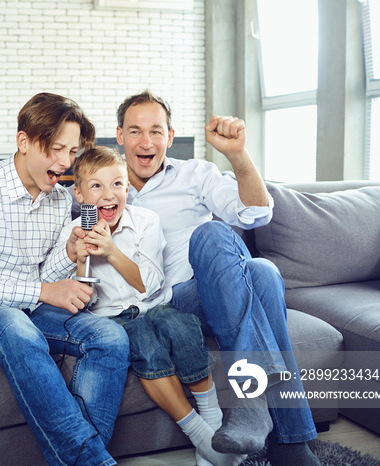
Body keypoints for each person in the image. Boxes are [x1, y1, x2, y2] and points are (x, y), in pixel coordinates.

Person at [114, 90, 320, 466]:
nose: (146, 142)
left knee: (238, 255)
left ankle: (259, 414)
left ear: (170, 137)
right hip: (174, 303)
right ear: (120, 136)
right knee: (262, 274)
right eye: (135, 131)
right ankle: (291, 443)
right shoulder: (102, 187)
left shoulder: (196, 173)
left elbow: (255, 215)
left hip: (218, 284)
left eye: (156, 131)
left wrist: (238, 156)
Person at [0, 93, 130, 466]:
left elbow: (45, 275)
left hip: (31, 308)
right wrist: (44, 291)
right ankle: (93, 461)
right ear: (23, 142)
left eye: (72, 151)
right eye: (55, 148)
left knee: (111, 335)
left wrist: (70, 253)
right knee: (15, 327)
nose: (64, 162)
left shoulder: (60, 201)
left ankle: (80, 455)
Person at [62, 146, 245, 466]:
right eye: (96, 186)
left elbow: (149, 283)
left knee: (179, 325)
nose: (109, 194)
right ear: (78, 194)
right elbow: (83, 301)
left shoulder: (145, 220)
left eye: (117, 184)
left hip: (152, 304)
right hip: (112, 317)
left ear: (127, 188)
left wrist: (112, 251)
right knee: (143, 341)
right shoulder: (74, 232)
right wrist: (84, 260)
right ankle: (203, 438)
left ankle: (213, 418)